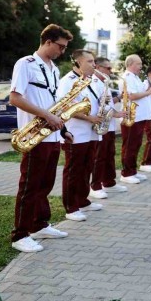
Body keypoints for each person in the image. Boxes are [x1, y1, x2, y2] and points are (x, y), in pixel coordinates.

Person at [9, 24, 73, 253]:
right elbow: (15, 98)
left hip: (52, 136)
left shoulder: (54, 69)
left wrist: (63, 130)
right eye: (61, 46)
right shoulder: (25, 64)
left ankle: (39, 225)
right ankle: (20, 235)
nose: (62, 51)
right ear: (48, 42)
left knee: (45, 184)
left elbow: (53, 104)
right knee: (29, 187)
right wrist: (46, 115)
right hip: (33, 136)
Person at [57, 49, 105, 222]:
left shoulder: (91, 81)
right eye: (90, 62)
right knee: (73, 170)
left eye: (94, 61)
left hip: (91, 132)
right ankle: (71, 207)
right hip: (75, 132)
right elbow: (66, 108)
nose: (94, 65)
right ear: (78, 63)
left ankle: (83, 200)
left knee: (87, 167)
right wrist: (90, 118)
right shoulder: (67, 81)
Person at [89, 57, 128, 199]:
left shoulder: (104, 82)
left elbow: (107, 102)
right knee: (99, 156)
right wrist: (115, 113)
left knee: (109, 154)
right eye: (108, 68)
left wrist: (118, 99)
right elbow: (98, 104)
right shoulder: (94, 82)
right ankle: (95, 186)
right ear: (98, 68)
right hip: (101, 124)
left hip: (109, 124)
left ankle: (109, 182)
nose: (111, 71)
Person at [119, 54, 151, 184]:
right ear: (131, 64)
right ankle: (126, 173)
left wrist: (150, 87)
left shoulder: (135, 78)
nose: (141, 66)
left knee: (136, 144)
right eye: (138, 64)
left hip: (139, 116)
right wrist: (149, 92)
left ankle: (132, 171)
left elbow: (141, 92)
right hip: (132, 116)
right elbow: (132, 96)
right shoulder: (127, 77)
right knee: (129, 146)